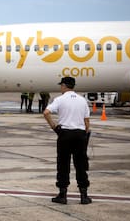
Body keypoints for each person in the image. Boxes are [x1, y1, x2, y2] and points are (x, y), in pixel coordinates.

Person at [43, 77, 92, 205]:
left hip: (65, 134)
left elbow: (46, 113)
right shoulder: (82, 100)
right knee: (81, 164)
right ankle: (84, 195)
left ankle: (63, 194)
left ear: (64, 86)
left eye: (61, 85)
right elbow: (87, 122)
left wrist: (55, 127)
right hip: (80, 134)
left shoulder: (60, 99)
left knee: (63, 165)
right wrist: (84, 134)